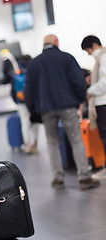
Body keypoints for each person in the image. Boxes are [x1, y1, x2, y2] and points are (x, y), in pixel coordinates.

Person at [24, 34, 100, 190]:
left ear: (44, 44)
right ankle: (84, 178)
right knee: (76, 140)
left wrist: (34, 112)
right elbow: (78, 80)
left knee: (52, 143)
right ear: (56, 42)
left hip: (45, 109)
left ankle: (58, 179)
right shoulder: (66, 58)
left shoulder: (34, 64)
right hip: (67, 106)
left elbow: (28, 91)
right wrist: (80, 100)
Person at [81, 35, 106, 179]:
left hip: (103, 103)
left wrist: (90, 90)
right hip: (102, 102)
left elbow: (104, 82)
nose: (89, 54)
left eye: (88, 51)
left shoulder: (103, 57)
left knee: (105, 135)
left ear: (94, 46)